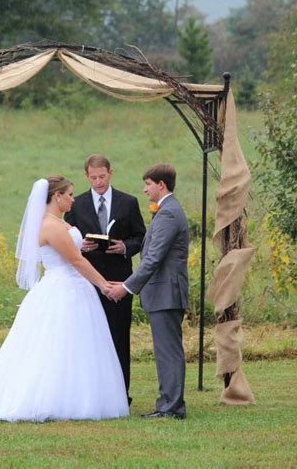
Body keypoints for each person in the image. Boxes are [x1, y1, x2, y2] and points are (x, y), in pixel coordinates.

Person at [0, 175, 128, 422]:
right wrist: (103, 284)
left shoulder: (58, 223)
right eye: (69, 194)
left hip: (74, 287)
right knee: (55, 345)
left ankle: (77, 396)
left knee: (76, 344)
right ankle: (52, 398)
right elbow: (75, 260)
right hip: (63, 287)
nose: (73, 199)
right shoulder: (50, 225)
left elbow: (72, 253)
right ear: (57, 196)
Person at [108, 164, 188, 420]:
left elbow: (153, 258)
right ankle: (167, 403)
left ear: (160, 185)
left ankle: (171, 407)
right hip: (162, 293)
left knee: (168, 351)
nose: (144, 190)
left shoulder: (168, 214)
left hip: (165, 293)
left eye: (148, 184)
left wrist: (127, 287)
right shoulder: (166, 211)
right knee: (166, 350)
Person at [64, 154, 145, 402]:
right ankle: (90, 393)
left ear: (110, 173)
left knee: (118, 337)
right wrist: (81, 247)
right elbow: (66, 240)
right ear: (86, 176)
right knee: (87, 338)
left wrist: (124, 247)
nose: (98, 181)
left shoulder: (128, 202)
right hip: (86, 282)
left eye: (102, 176)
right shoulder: (75, 205)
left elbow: (141, 237)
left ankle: (121, 394)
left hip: (119, 280)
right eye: (93, 177)